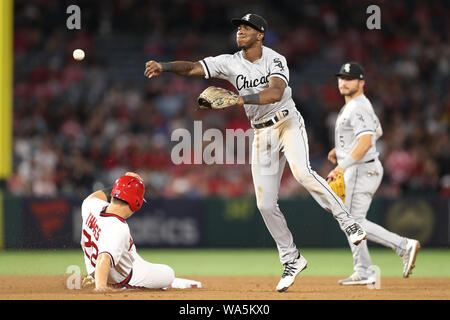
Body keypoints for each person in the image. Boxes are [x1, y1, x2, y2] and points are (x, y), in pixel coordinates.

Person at [144, 14, 367, 292]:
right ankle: (292, 258)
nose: (241, 31)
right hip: (261, 132)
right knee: (264, 204)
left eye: (247, 28)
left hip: (287, 121)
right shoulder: (229, 62)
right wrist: (163, 66)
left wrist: (240, 98)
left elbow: (275, 93)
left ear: (260, 35)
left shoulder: (275, 60)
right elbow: (192, 68)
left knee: (302, 173)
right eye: (239, 27)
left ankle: (347, 221)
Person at [329, 62, 420, 285]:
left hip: (361, 169)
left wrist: (342, 165)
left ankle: (402, 245)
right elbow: (376, 130)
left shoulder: (357, 106)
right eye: (341, 77)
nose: (344, 81)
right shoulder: (358, 105)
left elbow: (367, 140)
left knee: (353, 221)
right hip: (362, 167)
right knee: (349, 220)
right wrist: (341, 152)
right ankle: (364, 269)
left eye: (350, 78)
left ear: (362, 83)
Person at [80, 171, 201, 291]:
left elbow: (96, 195)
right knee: (169, 274)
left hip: (104, 266)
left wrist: (122, 186)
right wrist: (101, 287)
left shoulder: (91, 205)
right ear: (136, 203)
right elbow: (104, 258)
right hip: (124, 277)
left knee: (128, 250)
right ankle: (120, 285)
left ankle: (96, 278)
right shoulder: (117, 227)